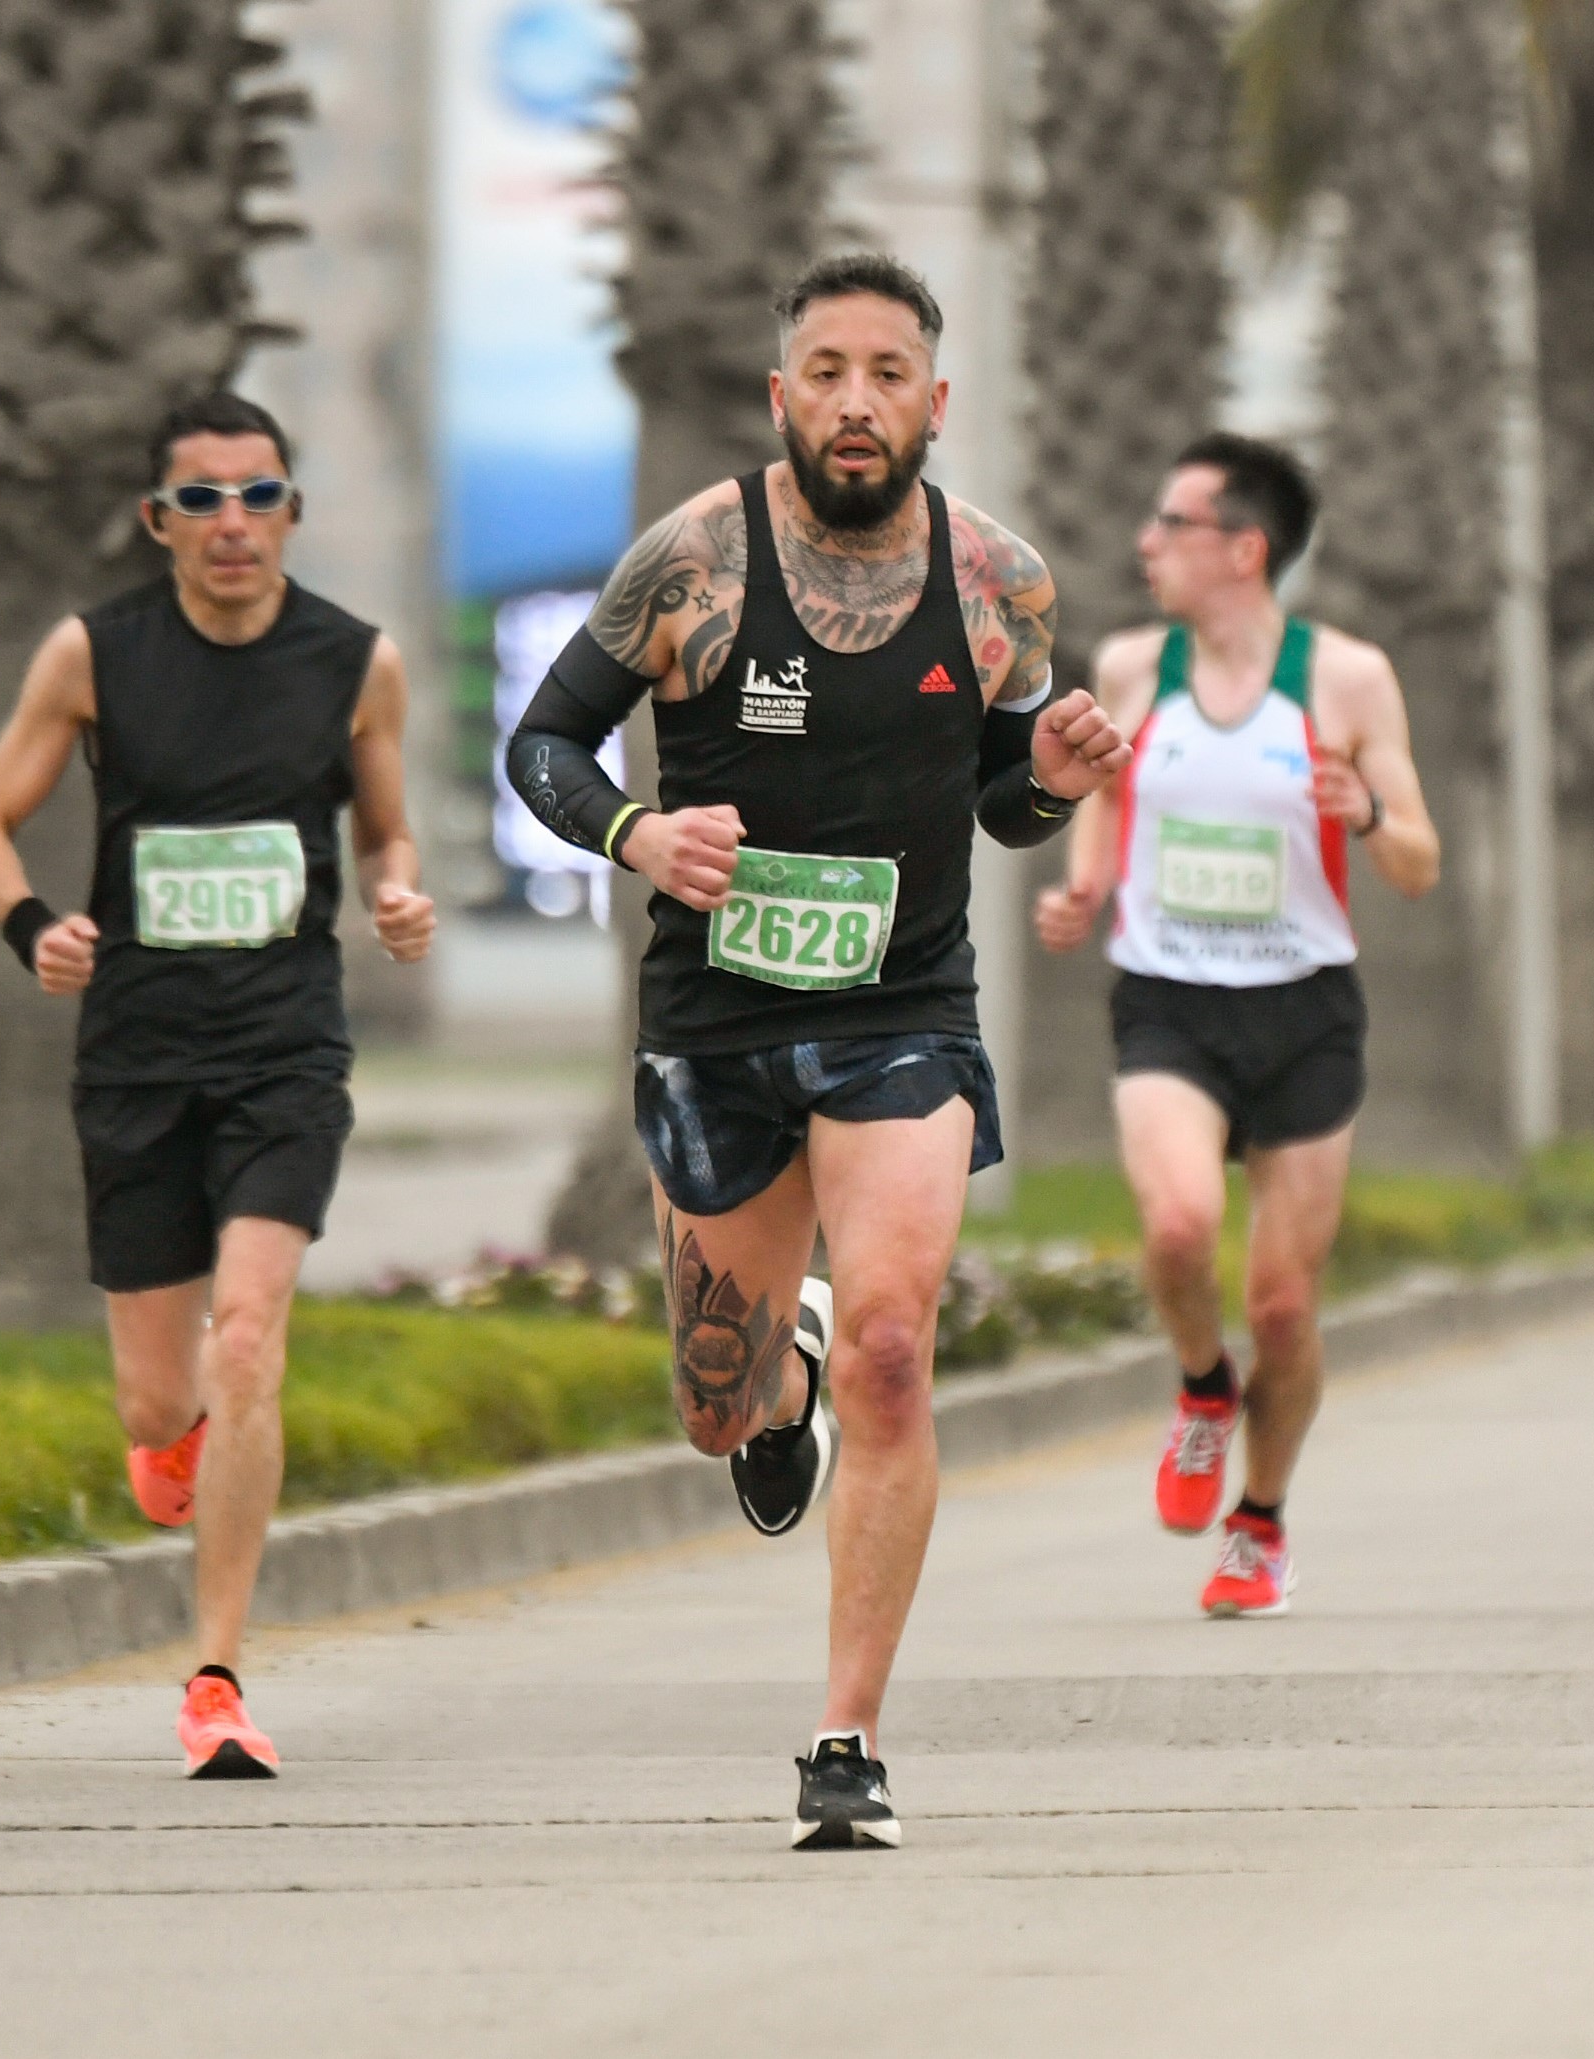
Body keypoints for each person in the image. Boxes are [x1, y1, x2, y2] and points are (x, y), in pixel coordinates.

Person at [504, 254, 1128, 1847]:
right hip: (714, 1023)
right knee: (716, 1406)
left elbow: (1003, 799)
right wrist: (639, 837)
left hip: (900, 1012)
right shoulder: (693, 559)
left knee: (899, 1351)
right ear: (782, 396)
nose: (859, 401)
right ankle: (781, 1393)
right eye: (828, 371)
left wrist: (1051, 777)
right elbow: (543, 743)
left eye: (889, 371)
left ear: (936, 399)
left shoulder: (999, 581)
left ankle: (845, 1733)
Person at [0, 394, 438, 1779]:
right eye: (204, 499)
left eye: (259, 494)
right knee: (157, 1408)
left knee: (247, 1337)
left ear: (292, 509)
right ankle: (180, 1459)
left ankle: (216, 1677)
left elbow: (388, 823)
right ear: (158, 518)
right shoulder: (94, 652)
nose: (234, 522)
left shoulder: (356, 660)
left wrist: (398, 890)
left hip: (286, 1049)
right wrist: (32, 922)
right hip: (138, 1055)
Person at [1032, 435, 1440, 1618]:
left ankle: (1259, 1522)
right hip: (1167, 997)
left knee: (1282, 1304)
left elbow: (1418, 861)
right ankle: (1204, 1388)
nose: (1147, 545)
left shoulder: (1346, 677)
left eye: (1173, 525)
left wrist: (1366, 811)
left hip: (1303, 1009)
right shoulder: (1127, 665)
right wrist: (1086, 881)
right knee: (1175, 1226)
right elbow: (1106, 789)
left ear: (1243, 547)